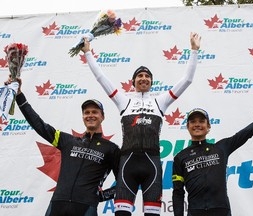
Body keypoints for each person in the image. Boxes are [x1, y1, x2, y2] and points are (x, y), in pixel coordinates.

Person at [81, 32, 201, 216]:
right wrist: (88, 52)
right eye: (140, 76)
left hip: (152, 166)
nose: (144, 78)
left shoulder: (160, 102)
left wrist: (194, 50)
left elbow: (187, 80)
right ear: (133, 82)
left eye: (147, 76)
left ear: (151, 82)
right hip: (127, 165)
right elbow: (101, 78)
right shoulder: (124, 101)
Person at [4, 78, 120, 216]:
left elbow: (124, 183)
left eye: (95, 112)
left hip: (86, 206)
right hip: (57, 204)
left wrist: (102, 196)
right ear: (83, 117)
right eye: (86, 112)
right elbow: (39, 125)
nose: (90, 115)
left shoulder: (111, 148)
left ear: (102, 117)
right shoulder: (68, 141)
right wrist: (19, 95)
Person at [172, 99, 253, 216]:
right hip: (195, 212)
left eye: (201, 121)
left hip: (221, 211)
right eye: (193, 122)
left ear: (208, 126)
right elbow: (178, 192)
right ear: (187, 126)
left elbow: (248, 131)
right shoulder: (180, 157)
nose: (197, 125)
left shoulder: (221, 148)